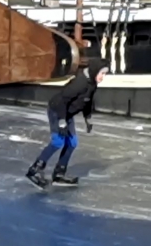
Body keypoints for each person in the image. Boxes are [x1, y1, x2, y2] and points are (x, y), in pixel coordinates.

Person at [26, 58, 110, 188]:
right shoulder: (80, 83)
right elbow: (62, 100)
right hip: (57, 111)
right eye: (102, 73)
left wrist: (88, 118)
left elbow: (87, 101)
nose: (103, 77)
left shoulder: (92, 83)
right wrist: (61, 121)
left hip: (67, 114)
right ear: (95, 71)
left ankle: (59, 174)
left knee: (72, 143)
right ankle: (34, 171)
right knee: (58, 142)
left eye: (105, 74)